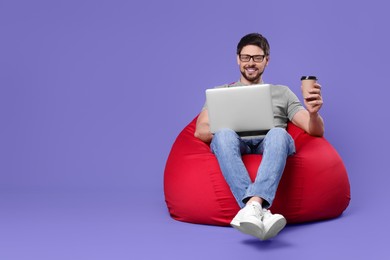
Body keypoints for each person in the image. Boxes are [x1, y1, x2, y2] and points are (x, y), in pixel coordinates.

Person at [194, 33, 324, 240]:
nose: (250, 63)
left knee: (278, 133)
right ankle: (259, 209)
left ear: (266, 60)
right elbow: (200, 131)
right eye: (246, 57)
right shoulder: (221, 92)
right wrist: (224, 126)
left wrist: (314, 113)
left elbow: (314, 130)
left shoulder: (282, 92)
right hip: (237, 142)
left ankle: (251, 207)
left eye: (257, 58)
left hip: (272, 142)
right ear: (238, 59)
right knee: (224, 135)